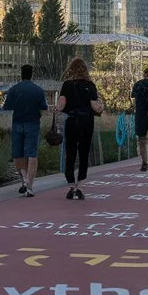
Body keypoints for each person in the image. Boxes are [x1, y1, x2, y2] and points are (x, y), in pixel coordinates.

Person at [56, 57, 102, 200]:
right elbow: (95, 105)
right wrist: (100, 106)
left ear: (71, 69)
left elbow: (61, 103)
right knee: (84, 154)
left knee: (70, 153)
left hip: (72, 121)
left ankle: (71, 186)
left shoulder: (67, 84)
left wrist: (57, 109)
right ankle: (79, 186)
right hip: (87, 122)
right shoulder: (90, 85)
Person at [1, 64, 48, 197]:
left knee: (18, 154)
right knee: (32, 154)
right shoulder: (38, 90)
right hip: (33, 123)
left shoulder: (14, 89)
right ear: (31, 74)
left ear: (21, 74)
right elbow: (43, 107)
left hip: (17, 122)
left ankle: (23, 181)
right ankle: (30, 185)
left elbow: (7, 106)